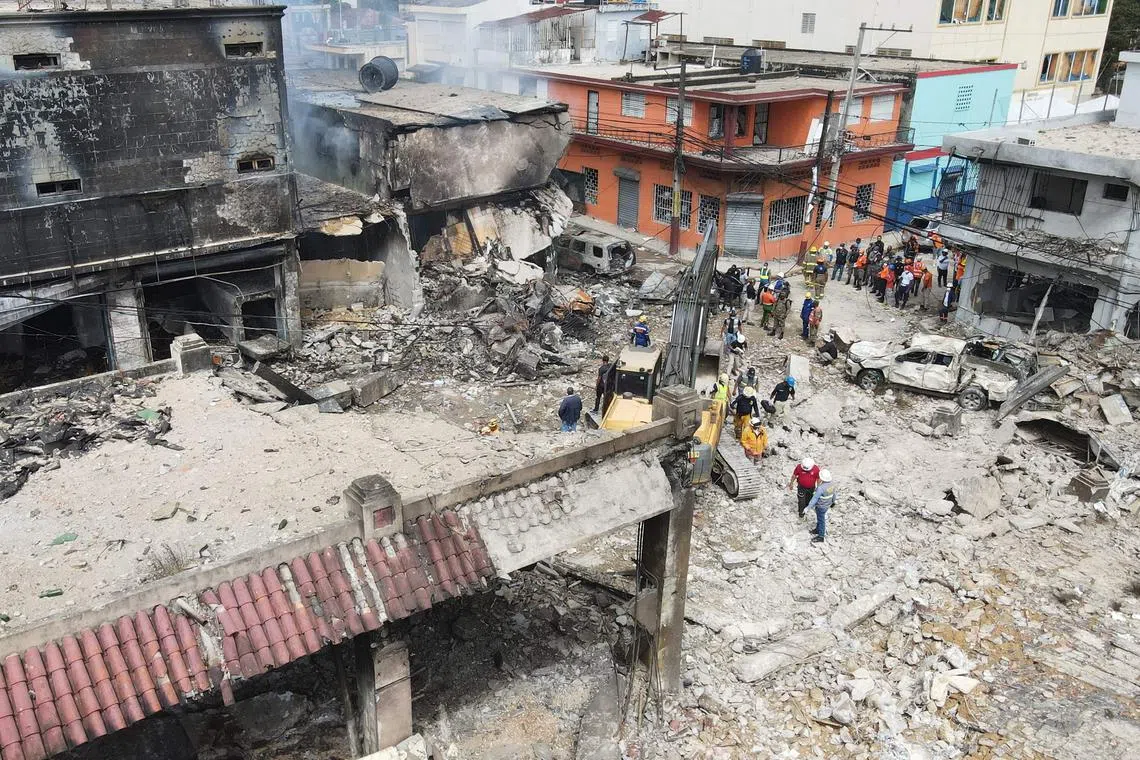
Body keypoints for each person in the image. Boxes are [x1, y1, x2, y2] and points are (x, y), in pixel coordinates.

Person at [807, 469, 836, 543]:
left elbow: (815, 498)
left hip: (820, 506)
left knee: (821, 520)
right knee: (819, 518)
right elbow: (834, 494)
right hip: (827, 505)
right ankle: (818, 529)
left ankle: (821, 536)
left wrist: (808, 507)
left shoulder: (821, 488)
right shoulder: (832, 484)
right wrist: (833, 501)